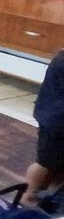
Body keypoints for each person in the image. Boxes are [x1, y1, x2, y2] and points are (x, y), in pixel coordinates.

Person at [23, 50, 64, 206]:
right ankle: (28, 197)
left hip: (52, 118)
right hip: (56, 124)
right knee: (46, 163)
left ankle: (52, 197)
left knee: (57, 165)